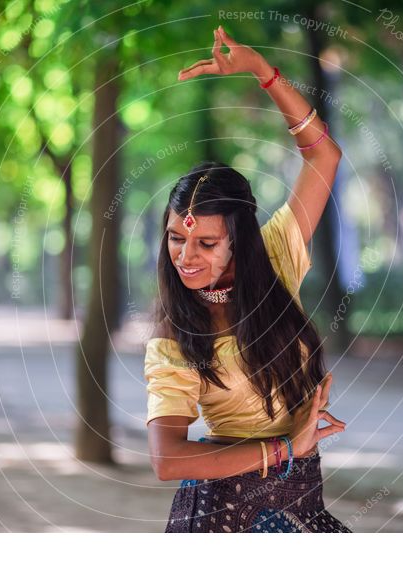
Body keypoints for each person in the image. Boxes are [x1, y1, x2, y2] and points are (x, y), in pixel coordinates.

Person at [145, 25, 350, 533]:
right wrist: (283, 447)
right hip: (226, 517)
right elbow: (167, 459)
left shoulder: (276, 258)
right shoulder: (176, 338)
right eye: (175, 238)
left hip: (302, 501)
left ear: (239, 239)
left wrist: (264, 73)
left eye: (206, 243)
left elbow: (324, 156)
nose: (185, 257)